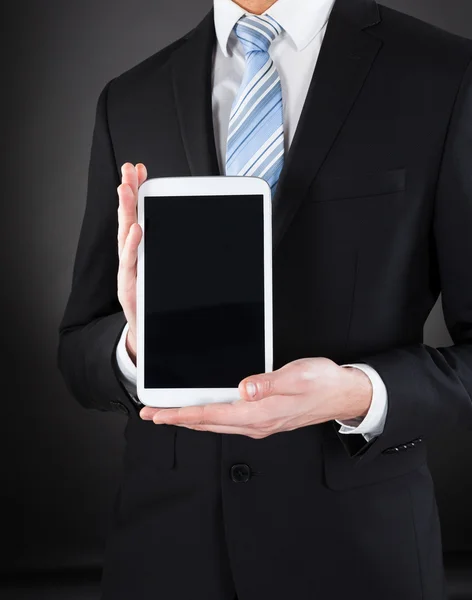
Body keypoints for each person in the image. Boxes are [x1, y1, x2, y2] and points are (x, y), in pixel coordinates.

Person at [57, 0, 472, 598]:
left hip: (358, 558)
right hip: (163, 560)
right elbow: (77, 352)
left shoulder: (445, 75)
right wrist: (135, 348)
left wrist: (359, 393)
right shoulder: (130, 96)